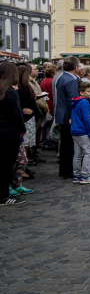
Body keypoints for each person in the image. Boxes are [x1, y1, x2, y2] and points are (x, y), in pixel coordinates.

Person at [0, 63, 27, 205]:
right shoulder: (10, 92)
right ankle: (3, 196)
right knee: (7, 165)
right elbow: (17, 115)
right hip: (9, 133)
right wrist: (22, 129)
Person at [55, 56, 81, 179]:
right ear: (75, 67)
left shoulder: (62, 77)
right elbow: (73, 99)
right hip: (67, 115)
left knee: (65, 143)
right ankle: (67, 170)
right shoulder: (70, 80)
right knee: (68, 144)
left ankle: (64, 170)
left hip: (62, 113)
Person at [70, 82, 90, 184]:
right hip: (83, 131)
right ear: (82, 92)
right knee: (88, 153)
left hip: (75, 130)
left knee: (77, 154)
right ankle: (85, 175)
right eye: (88, 91)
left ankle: (77, 175)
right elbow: (87, 119)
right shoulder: (85, 103)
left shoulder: (75, 102)